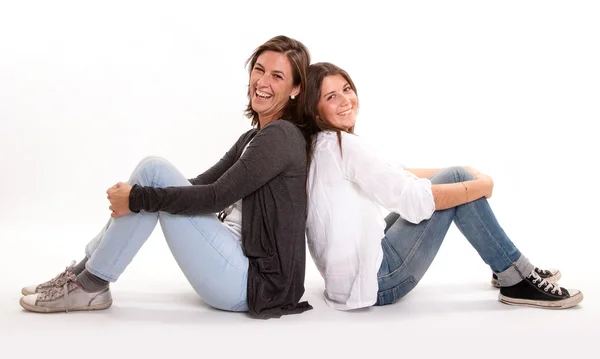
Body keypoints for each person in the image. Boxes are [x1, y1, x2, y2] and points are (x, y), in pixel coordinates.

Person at [19, 35, 313, 319]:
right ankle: (84, 277)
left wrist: (137, 198)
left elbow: (216, 197)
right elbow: (200, 184)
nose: (262, 82)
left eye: (277, 76)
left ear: (295, 89)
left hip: (253, 285)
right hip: (235, 267)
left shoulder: (281, 136)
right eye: (259, 70)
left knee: (153, 172)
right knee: (153, 176)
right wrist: (142, 195)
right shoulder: (254, 136)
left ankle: (89, 283)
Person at [303, 62, 583, 310]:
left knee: (457, 176)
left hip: (348, 278)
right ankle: (516, 277)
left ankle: (506, 266)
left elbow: (395, 172)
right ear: (315, 109)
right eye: (331, 96)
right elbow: (413, 200)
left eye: (346, 89)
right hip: (377, 281)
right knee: (456, 184)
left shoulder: (324, 144)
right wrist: (480, 186)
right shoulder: (343, 146)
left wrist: (461, 174)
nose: (345, 100)